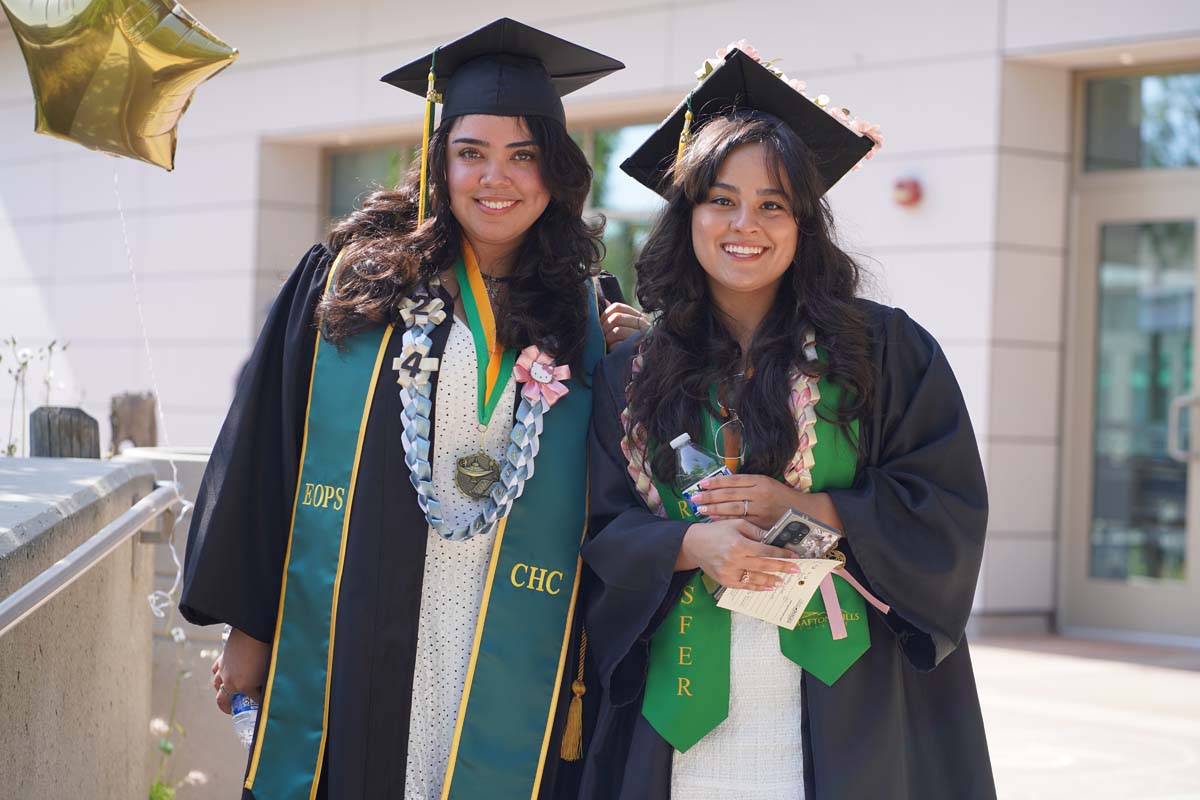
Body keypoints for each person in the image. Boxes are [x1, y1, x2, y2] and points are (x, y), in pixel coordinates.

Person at [180, 18, 644, 800]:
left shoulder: (587, 316)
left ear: (556, 172)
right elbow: (267, 451)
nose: (496, 178)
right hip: (362, 618)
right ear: (439, 160)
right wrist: (251, 628)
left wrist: (638, 364)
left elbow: (618, 497)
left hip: (512, 634)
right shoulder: (351, 284)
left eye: (522, 155)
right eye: (471, 153)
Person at [579, 45, 996, 799]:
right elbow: (598, 523)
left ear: (805, 221)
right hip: (677, 709)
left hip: (849, 701)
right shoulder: (632, 372)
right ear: (689, 214)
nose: (747, 225)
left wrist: (805, 508)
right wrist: (686, 544)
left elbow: (947, 507)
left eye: (773, 204)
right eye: (721, 200)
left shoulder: (882, 350)